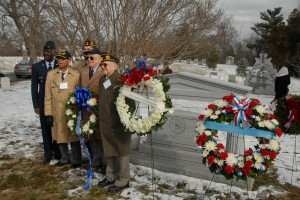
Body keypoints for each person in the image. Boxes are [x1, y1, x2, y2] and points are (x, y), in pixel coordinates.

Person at [97, 53, 131, 192]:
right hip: (105, 121)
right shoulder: (103, 80)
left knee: (122, 151)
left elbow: (129, 102)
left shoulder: (121, 80)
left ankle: (123, 180)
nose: (103, 67)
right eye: (102, 64)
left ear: (115, 66)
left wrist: (125, 120)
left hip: (118, 122)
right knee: (109, 149)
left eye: (105, 64)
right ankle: (110, 175)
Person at [44, 50, 82, 168]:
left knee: (73, 136)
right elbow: (47, 96)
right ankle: (64, 158)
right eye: (58, 58)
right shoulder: (51, 75)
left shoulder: (76, 75)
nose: (59, 60)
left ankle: (76, 159)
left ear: (69, 60)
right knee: (60, 136)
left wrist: (78, 110)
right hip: (57, 111)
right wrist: (48, 113)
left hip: (71, 111)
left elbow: (80, 94)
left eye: (62, 58)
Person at [31, 40, 61, 165]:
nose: (46, 53)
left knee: (57, 128)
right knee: (46, 130)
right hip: (43, 104)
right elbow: (34, 87)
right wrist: (36, 105)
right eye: (44, 51)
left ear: (54, 52)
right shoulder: (37, 67)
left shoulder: (59, 65)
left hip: (57, 103)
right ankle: (48, 154)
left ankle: (59, 154)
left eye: (48, 51)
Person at [80, 47, 106, 173]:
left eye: (92, 58)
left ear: (100, 59)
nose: (89, 60)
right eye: (88, 57)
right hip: (86, 110)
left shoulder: (104, 70)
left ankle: (105, 163)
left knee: (101, 136)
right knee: (91, 136)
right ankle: (95, 161)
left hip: (99, 109)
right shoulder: (84, 71)